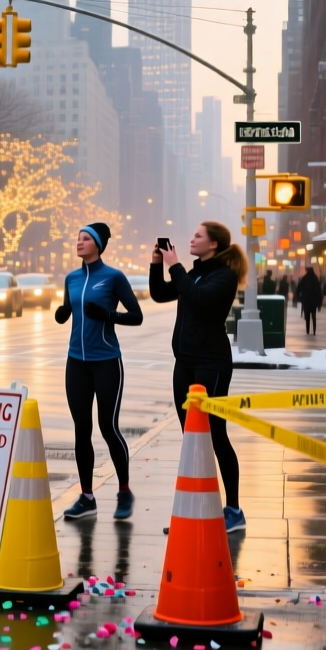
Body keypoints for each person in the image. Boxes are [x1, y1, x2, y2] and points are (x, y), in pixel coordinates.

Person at [151, 221, 250, 533]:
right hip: (184, 363)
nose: (191, 239)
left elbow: (199, 298)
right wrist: (157, 264)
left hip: (211, 364)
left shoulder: (224, 275)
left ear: (214, 244)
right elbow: (160, 293)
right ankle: (196, 510)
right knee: (192, 439)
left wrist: (175, 265)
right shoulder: (193, 273)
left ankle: (233, 510)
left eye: (198, 236)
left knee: (215, 435)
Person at [55, 222, 144, 522]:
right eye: (78, 238)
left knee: (108, 427)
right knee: (82, 429)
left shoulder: (113, 277)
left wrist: (108, 314)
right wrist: (63, 312)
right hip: (76, 363)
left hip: (106, 361)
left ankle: (124, 491)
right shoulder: (71, 278)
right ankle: (87, 498)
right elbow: (69, 309)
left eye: (85, 238)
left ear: (98, 245)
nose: (79, 242)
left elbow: (136, 316)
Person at [296, 266, 323, 335]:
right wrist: (319, 301)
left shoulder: (304, 278)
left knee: (307, 315)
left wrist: (299, 297)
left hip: (306, 300)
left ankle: (307, 330)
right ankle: (314, 330)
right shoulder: (315, 279)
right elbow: (319, 291)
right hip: (314, 300)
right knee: (314, 315)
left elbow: (298, 288)